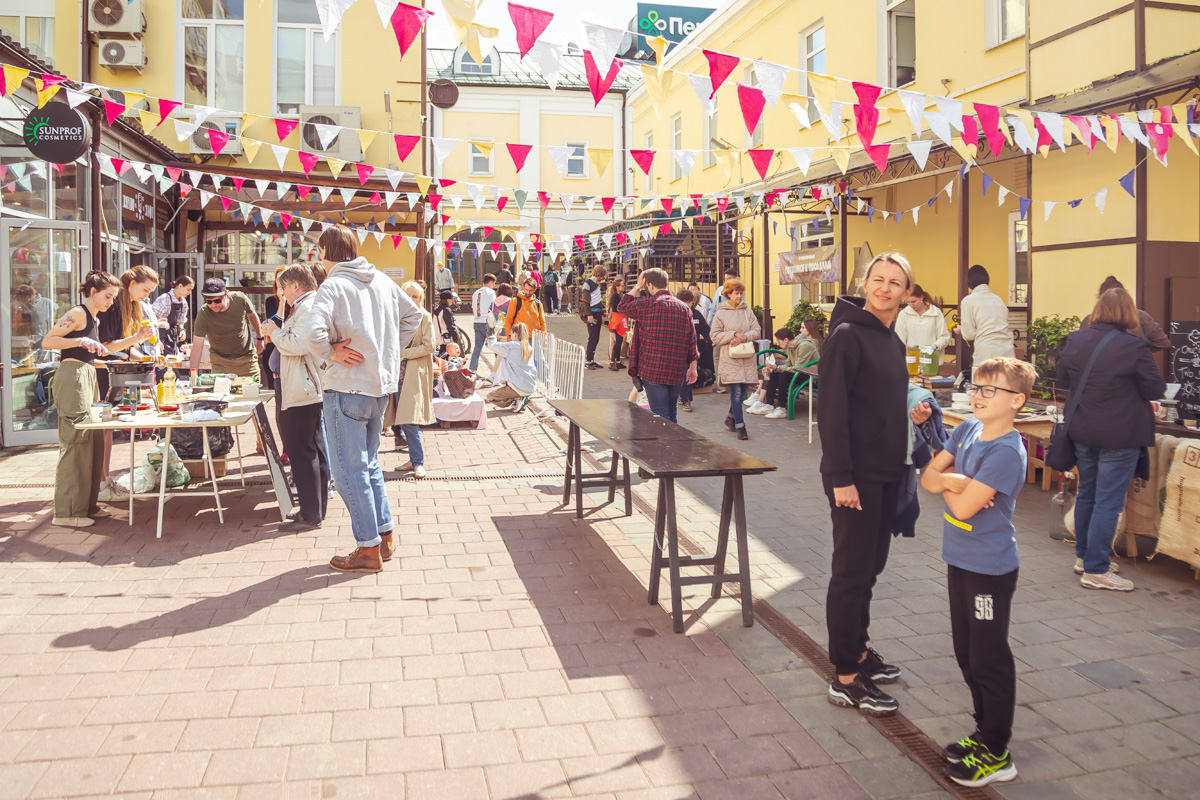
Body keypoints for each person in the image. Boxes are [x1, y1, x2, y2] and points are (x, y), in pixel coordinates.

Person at [921, 357, 1037, 788]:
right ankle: (982, 730)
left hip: (990, 567)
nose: (978, 395)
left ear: (1017, 401)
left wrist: (950, 482)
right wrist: (956, 481)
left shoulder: (1008, 450)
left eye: (991, 390)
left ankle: (997, 749)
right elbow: (928, 478)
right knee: (966, 652)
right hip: (959, 558)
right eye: (977, 387)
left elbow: (965, 505)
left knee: (989, 656)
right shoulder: (968, 428)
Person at [820, 251, 919, 718]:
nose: (885, 287)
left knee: (870, 568)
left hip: (885, 473)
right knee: (852, 573)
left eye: (894, 282)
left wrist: (912, 412)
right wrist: (841, 479)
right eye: (878, 280)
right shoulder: (846, 336)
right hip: (854, 478)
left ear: (906, 292)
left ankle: (858, 651)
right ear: (865, 284)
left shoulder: (890, 339)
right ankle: (844, 676)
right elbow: (832, 411)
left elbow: (878, 401)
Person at [304, 225, 423, 573]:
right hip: (379, 388)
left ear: (326, 253)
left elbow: (313, 334)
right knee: (369, 466)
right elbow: (414, 315)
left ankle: (368, 548)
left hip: (346, 387)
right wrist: (388, 351)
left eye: (319, 252)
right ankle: (383, 536)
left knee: (348, 472)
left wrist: (331, 353)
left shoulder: (333, 285)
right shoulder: (383, 281)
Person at [1056, 287, 1166, 591]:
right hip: (1120, 435)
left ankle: (1084, 558)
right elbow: (1155, 389)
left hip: (1082, 430)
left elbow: (1062, 378)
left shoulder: (1076, 340)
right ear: (1129, 313)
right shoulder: (1135, 347)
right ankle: (1096, 569)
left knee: (1089, 494)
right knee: (1108, 501)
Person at [39, 271, 121, 527]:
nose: (110, 302)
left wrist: (104, 359)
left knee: (92, 438)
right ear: (93, 291)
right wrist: (80, 339)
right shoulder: (77, 313)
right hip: (73, 378)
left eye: (113, 298)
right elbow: (47, 341)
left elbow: (82, 352)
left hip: (87, 375)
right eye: (107, 296)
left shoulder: (94, 317)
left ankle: (86, 506)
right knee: (75, 440)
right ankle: (67, 513)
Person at [263, 265, 328, 532]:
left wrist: (273, 333)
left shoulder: (307, 307)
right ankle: (315, 508)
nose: (282, 293)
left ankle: (311, 514)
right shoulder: (303, 305)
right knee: (312, 448)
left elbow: (300, 344)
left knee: (302, 451)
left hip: (302, 388)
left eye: (283, 288)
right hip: (303, 387)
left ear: (296, 287)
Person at [96, 266, 160, 500]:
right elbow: (107, 346)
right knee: (102, 430)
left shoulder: (130, 305)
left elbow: (124, 348)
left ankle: (105, 481)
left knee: (107, 430)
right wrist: (138, 338)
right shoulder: (112, 305)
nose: (147, 295)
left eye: (150, 291)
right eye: (145, 290)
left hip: (113, 371)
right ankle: (101, 483)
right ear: (131, 283)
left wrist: (143, 358)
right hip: (101, 372)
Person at [616, 268, 698, 424]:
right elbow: (691, 340)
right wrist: (693, 367)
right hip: (676, 369)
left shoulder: (647, 305)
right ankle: (673, 445)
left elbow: (622, 306)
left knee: (660, 414)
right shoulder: (684, 308)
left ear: (650, 285)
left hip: (653, 369)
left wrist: (638, 286)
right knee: (672, 411)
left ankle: (665, 447)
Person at [385, 281, 436, 478]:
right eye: (409, 296)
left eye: (416, 296)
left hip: (412, 372)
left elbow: (429, 345)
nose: (412, 300)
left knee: (409, 418)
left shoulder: (425, 316)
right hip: (393, 372)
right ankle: (412, 459)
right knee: (395, 418)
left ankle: (418, 462)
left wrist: (403, 353)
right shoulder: (395, 315)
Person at [710, 279, 762, 440]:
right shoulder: (721, 313)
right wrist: (732, 335)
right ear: (728, 294)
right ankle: (741, 426)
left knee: (743, 391)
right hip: (730, 358)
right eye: (736, 293)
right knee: (737, 393)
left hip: (746, 357)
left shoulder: (748, 312)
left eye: (741, 293)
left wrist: (744, 337)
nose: (739, 296)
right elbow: (714, 336)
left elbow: (757, 331)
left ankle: (730, 418)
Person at [188, 277, 264, 380]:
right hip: (220, 363)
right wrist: (193, 376)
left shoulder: (239, 299)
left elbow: (252, 315)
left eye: (217, 301)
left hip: (246, 360)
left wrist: (260, 339)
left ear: (225, 295)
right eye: (209, 302)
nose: (213, 305)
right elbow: (197, 348)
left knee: (252, 393)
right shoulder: (204, 313)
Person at [1078, 275, 1171, 351]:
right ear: (1125, 297)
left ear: (1100, 299)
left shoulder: (1089, 320)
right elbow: (1163, 342)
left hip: (1098, 371)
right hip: (1133, 370)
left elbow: (1081, 349)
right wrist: (1141, 351)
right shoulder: (1140, 316)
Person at [747, 326, 820, 419]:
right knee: (772, 372)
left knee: (784, 374)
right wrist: (774, 368)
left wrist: (777, 367)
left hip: (811, 376)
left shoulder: (804, 346)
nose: (777, 344)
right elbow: (789, 364)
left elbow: (798, 368)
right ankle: (768, 404)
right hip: (799, 372)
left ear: (786, 340)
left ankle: (781, 408)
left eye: (779, 341)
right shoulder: (790, 346)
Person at [959, 265, 1014, 377]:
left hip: (986, 352)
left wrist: (961, 329)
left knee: (986, 390)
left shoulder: (968, 301)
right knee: (1005, 390)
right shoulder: (998, 299)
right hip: (1007, 351)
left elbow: (969, 334)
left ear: (969, 282)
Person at [486, 322, 537, 409]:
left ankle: (517, 399)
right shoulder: (528, 347)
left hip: (518, 387)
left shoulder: (512, 346)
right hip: (530, 386)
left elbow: (492, 345)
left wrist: (495, 333)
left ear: (515, 334)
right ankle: (520, 400)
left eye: (511, 333)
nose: (510, 335)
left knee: (490, 397)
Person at [895, 283, 950, 353]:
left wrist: (935, 347)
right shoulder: (903, 314)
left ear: (921, 297)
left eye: (913, 301)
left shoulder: (936, 312)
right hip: (911, 360)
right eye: (908, 302)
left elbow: (944, 336)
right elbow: (899, 340)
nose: (911, 305)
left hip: (931, 359)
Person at [151, 275, 194, 355]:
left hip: (173, 336)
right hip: (161, 335)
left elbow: (181, 320)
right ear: (180, 286)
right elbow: (151, 318)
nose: (189, 293)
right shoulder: (164, 298)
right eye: (188, 289)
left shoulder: (183, 302)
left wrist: (182, 330)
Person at [470, 273, 497, 373]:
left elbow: (473, 308)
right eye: (493, 283)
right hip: (487, 322)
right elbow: (493, 307)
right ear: (490, 282)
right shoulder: (490, 292)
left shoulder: (476, 292)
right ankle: (498, 370)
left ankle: (472, 370)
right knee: (495, 346)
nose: (493, 285)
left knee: (477, 347)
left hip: (477, 321)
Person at [582, 265, 606, 369]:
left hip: (597, 313)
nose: (602, 278)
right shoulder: (587, 284)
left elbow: (598, 300)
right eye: (602, 275)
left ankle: (591, 360)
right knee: (592, 337)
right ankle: (588, 361)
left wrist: (602, 315)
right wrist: (589, 315)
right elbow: (585, 301)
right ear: (599, 274)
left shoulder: (596, 284)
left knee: (596, 338)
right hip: (592, 313)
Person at [606, 276, 627, 370]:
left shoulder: (619, 295)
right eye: (622, 285)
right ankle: (612, 362)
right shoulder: (615, 296)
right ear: (617, 287)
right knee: (617, 342)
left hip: (619, 320)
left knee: (620, 341)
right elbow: (615, 308)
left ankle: (618, 361)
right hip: (617, 321)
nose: (624, 287)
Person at [434, 289, 459, 356]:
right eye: (451, 299)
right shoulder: (446, 310)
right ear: (448, 300)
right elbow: (450, 326)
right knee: (446, 357)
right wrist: (455, 337)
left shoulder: (438, 309)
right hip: (445, 338)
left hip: (439, 336)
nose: (452, 301)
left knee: (442, 355)